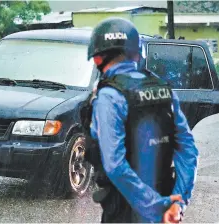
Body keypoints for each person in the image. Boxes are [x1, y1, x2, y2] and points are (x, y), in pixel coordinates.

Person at [82, 17, 199, 223]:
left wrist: (155, 206)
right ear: (136, 53)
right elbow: (188, 150)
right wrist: (177, 204)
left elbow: (115, 165)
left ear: (98, 58)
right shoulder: (162, 89)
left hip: (125, 208)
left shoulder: (109, 97)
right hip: (166, 203)